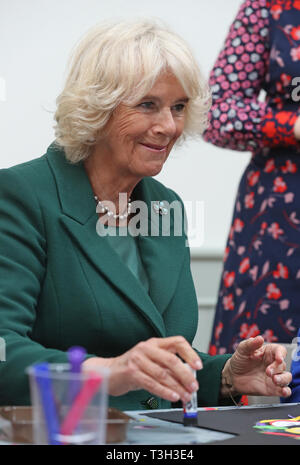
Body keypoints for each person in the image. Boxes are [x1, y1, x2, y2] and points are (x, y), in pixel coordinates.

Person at [0, 19, 292, 411]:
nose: (169, 126)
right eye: (147, 105)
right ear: (97, 106)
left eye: (179, 107)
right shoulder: (20, 195)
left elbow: (159, 363)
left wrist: (224, 375)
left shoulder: (165, 205)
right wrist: (108, 372)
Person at [203, 0, 300, 355]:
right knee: (263, 366)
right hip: (281, 218)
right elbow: (215, 112)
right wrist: (293, 125)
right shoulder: (270, 6)